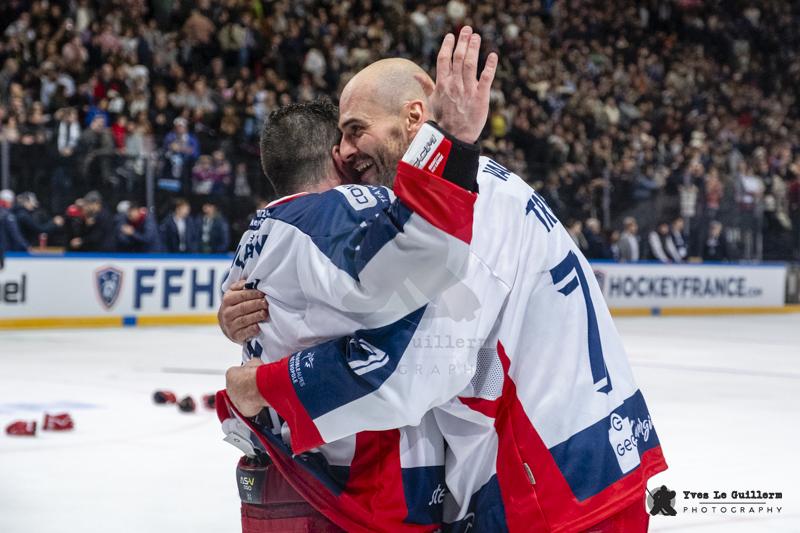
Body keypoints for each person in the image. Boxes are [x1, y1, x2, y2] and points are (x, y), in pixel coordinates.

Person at [223, 27, 665, 533]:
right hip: (582, 466)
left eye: (354, 129)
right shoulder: (475, 190)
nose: (341, 153)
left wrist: (261, 384)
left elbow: (410, 370)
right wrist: (258, 305)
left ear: (413, 117)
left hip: (544, 488)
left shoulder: (458, 215)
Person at [217, 32, 491, 533]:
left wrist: (228, 321)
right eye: (345, 137)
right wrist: (455, 146)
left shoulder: (259, 229)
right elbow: (412, 265)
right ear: (335, 157)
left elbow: (248, 311)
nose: (351, 149)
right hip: (361, 478)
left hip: (279, 465)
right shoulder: (340, 208)